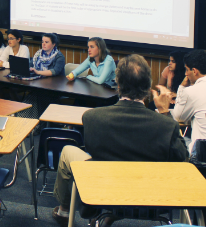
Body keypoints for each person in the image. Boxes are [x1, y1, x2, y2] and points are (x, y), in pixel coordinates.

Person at [51, 55, 187, 227]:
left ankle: (64, 211)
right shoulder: (167, 125)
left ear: (119, 85)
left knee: (68, 151)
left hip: (104, 194)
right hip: (153, 201)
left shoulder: (93, 118)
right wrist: (165, 112)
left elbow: (94, 152)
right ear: (147, 87)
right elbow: (183, 160)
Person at [153, 49, 206, 156]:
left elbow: (178, 116)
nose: (186, 74)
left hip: (201, 155)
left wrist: (182, 87)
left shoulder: (192, 91)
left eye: (187, 70)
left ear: (194, 71)